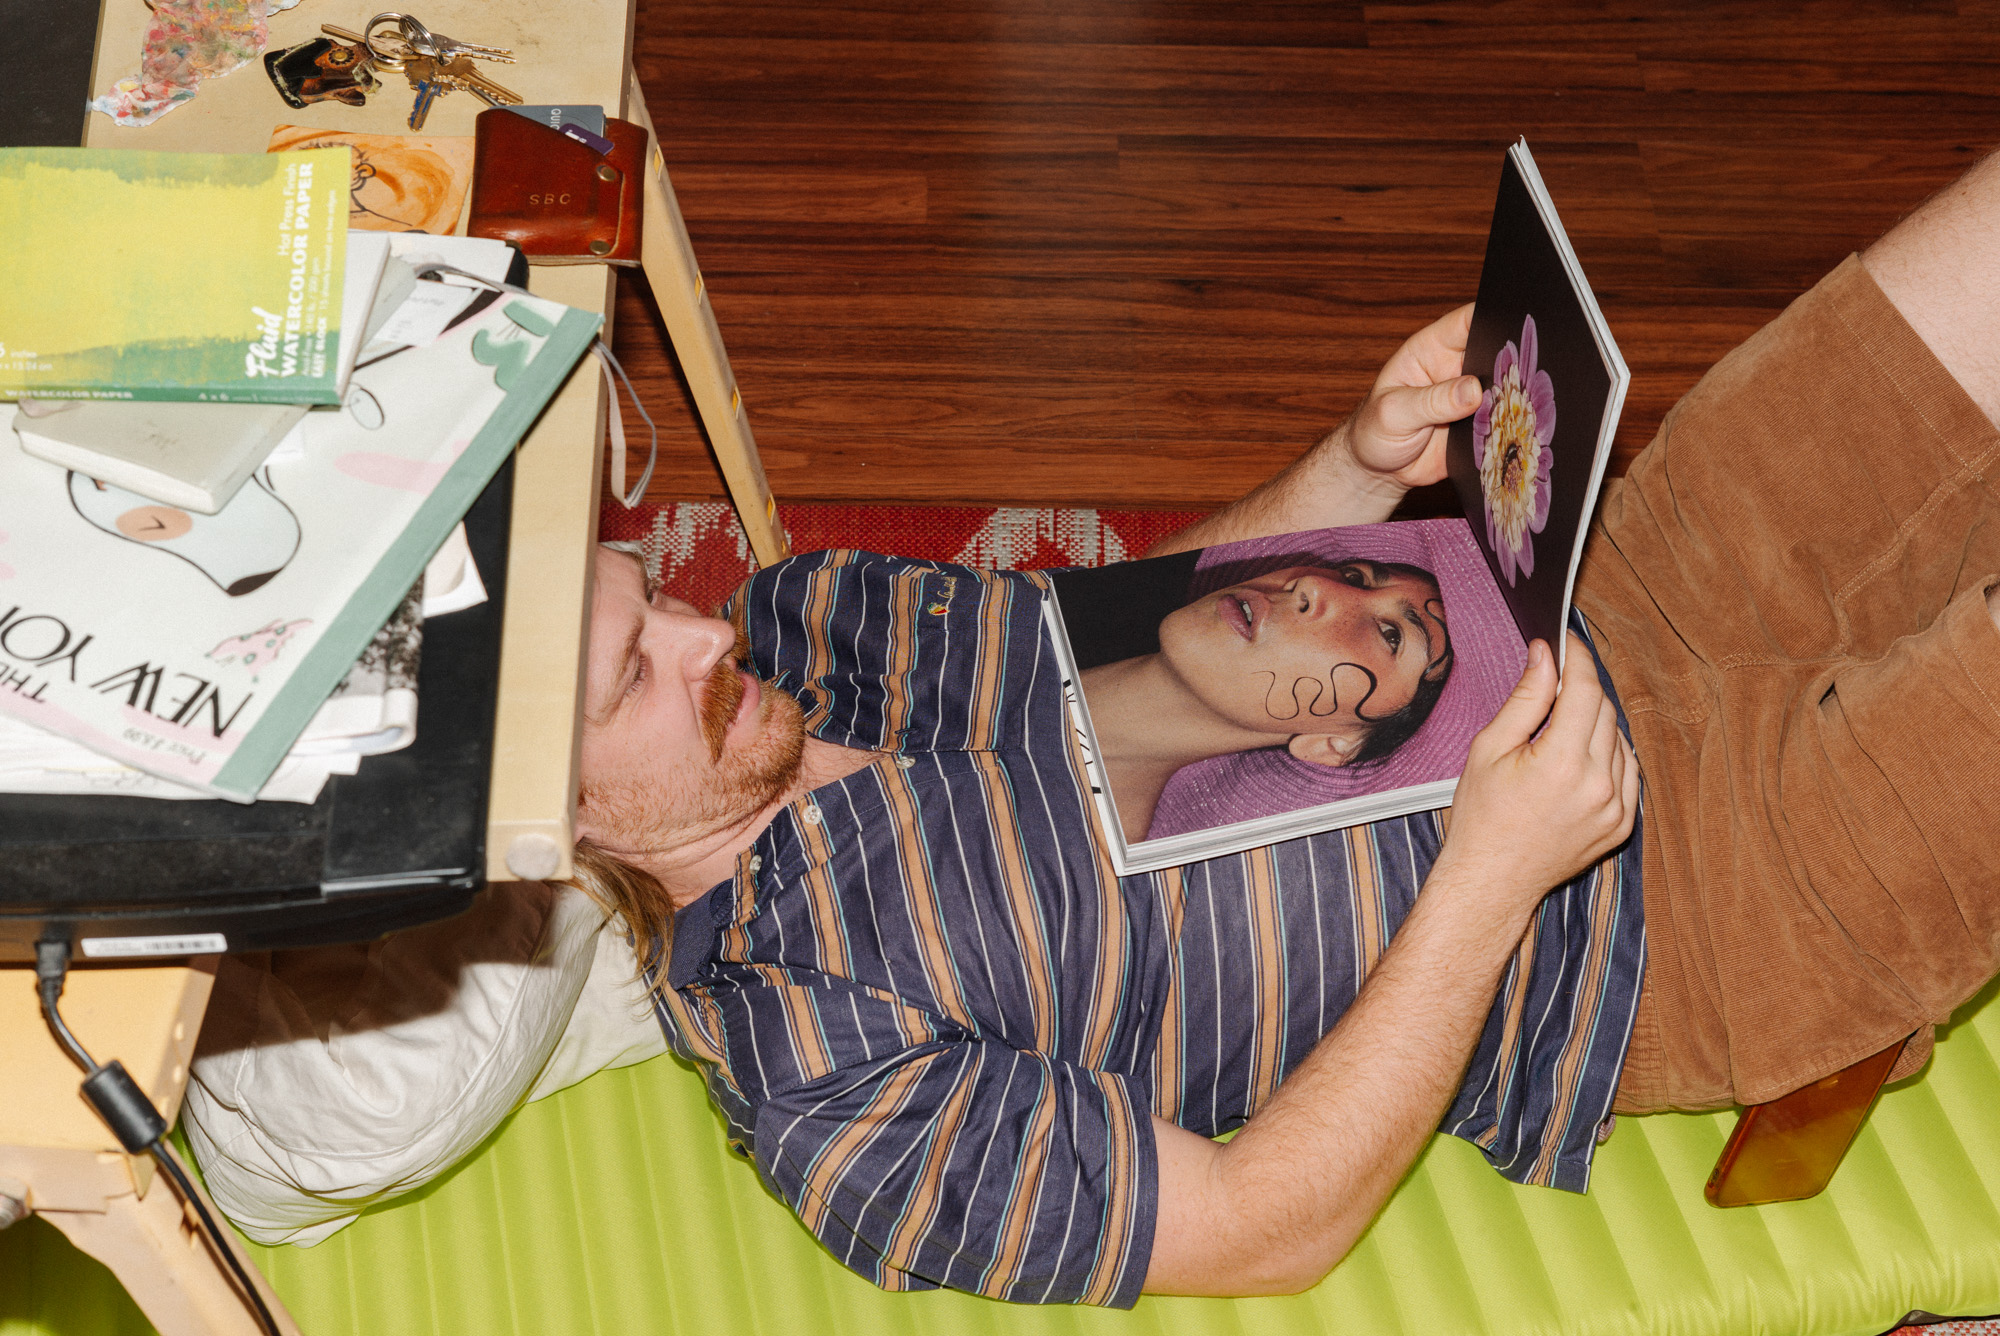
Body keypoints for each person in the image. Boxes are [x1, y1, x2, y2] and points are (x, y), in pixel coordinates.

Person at [568, 146, 2000, 1306]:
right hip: (1665, 914)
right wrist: (1494, 872)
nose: (710, 631)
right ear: (549, 817)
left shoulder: (818, 617)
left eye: (657, 596)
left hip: (1623, 573)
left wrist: (1351, 473)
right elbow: (1259, 1230)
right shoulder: (821, 1067)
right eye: (635, 676)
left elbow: (1123, 634)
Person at [1077, 557, 1455, 843]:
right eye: (1354, 576)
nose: (1314, 584)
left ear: (1334, 744)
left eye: (1391, 636)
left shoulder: (1076, 857)